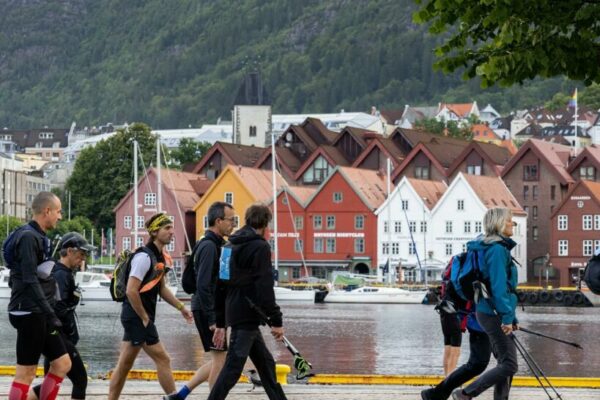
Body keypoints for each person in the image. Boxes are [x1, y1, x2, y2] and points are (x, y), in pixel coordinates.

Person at [108, 213, 193, 400]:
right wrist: (145, 319)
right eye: (167, 228)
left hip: (137, 317)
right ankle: (173, 397)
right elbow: (131, 290)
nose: (172, 232)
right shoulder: (144, 258)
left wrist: (181, 308)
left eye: (172, 228)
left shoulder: (159, 257)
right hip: (137, 317)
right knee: (163, 358)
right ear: (154, 231)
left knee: (124, 365)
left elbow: (161, 288)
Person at [207, 203, 287, 400]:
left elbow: (220, 286)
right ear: (265, 224)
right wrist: (276, 320)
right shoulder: (260, 247)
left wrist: (220, 321)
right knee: (232, 369)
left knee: (266, 365)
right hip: (247, 314)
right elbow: (264, 286)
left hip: (237, 313)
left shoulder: (228, 246)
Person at [165, 202, 235, 400]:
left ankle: (181, 394)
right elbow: (203, 285)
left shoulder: (212, 243)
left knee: (218, 358)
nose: (233, 224)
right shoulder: (209, 247)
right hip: (207, 309)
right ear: (218, 221)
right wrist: (214, 319)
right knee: (220, 361)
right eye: (231, 220)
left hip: (206, 308)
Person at [7, 191, 71, 400]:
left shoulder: (40, 237)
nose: (60, 217)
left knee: (62, 364)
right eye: (58, 212)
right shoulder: (27, 237)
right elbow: (29, 279)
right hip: (28, 311)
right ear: (47, 211)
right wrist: (50, 312)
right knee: (26, 373)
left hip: (39, 311)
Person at [451, 207, 520, 400]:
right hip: (492, 312)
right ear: (499, 223)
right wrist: (506, 317)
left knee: (506, 363)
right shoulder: (497, 250)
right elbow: (498, 288)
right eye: (509, 220)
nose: (512, 223)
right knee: (509, 364)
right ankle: (465, 394)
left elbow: (501, 288)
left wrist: (511, 317)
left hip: (492, 310)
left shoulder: (495, 247)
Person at [30, 232, 96, 400]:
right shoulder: (60, 274)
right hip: (59, 336)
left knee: (50, 382)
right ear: (68, 251)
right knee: (80, 380)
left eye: (85, 255)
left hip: (56, 335)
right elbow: (56, 309)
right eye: (81, 253)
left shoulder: (64, 273)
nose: (83, 258)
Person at [422, 305, 490, 400]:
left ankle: (444, 387)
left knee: (449, 349)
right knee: (457, 353)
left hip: (451, 313)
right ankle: (447, 389)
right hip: (475, 320)